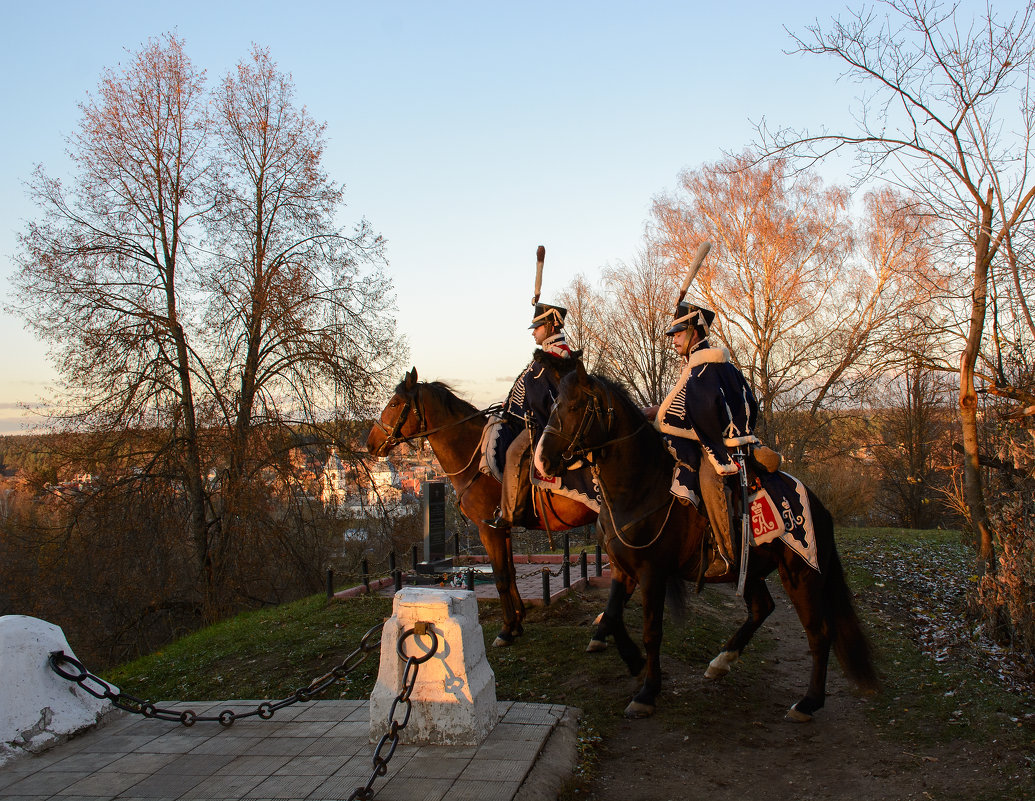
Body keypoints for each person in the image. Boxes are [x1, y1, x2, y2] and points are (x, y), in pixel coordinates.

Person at [656, 300, 765, 578]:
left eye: (679, 333)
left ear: (694, 332)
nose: (674, 340)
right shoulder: (700, 366)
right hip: (717, 437)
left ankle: (725, 553)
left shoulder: (704, 368)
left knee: (708, 477)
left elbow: (698, 413)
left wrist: (662, 417)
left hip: (722, 445)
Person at [485, 301, 574, 531]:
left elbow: (548, 393)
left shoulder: (557, 353)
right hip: (532, 417)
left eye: (537, 327)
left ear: (551, 326)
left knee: (515, 452)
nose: (533, 332)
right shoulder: (547, 353)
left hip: (543, 422)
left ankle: (511, 514)